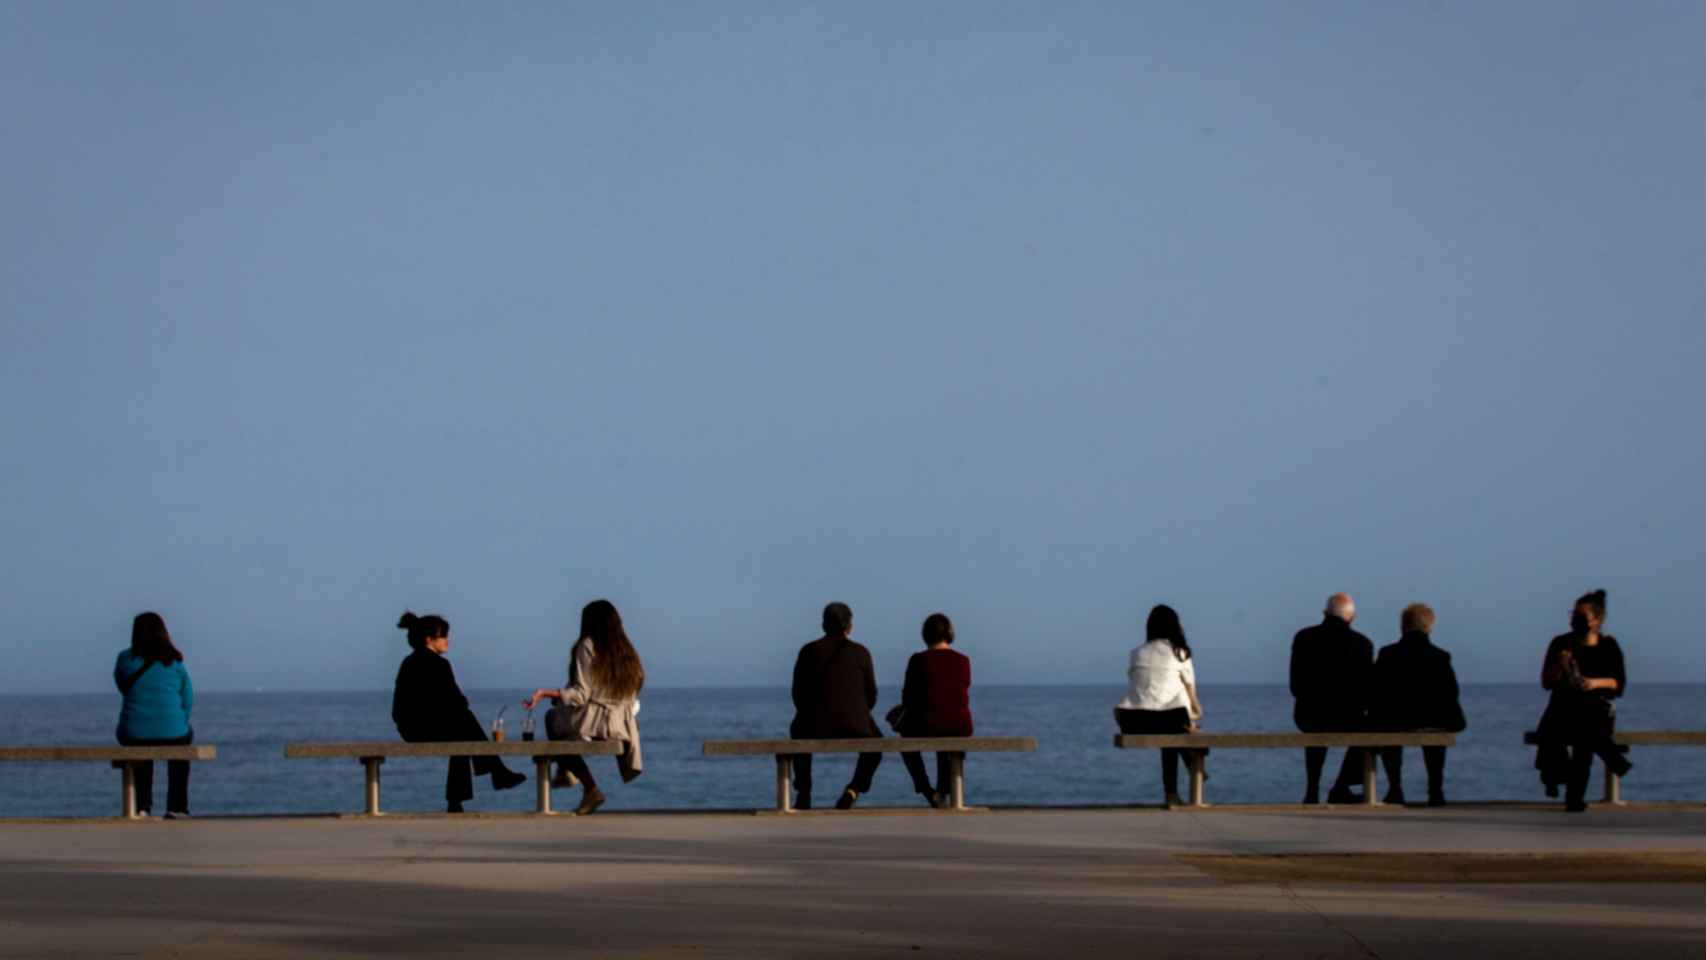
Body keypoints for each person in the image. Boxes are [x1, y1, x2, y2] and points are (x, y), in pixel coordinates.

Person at [391, 612, 526, 813]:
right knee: (464, 721)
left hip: (408, 729)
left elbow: (401, 707)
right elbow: (457, 703)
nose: (448, 641)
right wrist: (460, 703)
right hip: (427, 729)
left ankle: (469, 793)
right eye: (443, 636)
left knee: (462, 730)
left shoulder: (408, 663)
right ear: (429, 639)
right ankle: (494, 773)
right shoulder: (439, 664)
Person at [523, 599, 645, 815]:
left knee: (552, 719)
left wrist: (545, 693)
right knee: (563, 719)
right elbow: (633, 689)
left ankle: (588, 786)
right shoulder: (627, 652)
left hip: (597, 723)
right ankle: (566, 770)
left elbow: (581, 694)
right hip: (622, 726)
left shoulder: (587, 645)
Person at [1533, 589, 1630, 812]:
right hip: (1563, 708)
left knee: (1584, 742)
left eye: (1581, 615)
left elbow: (1618, 682)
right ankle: (1610, 762)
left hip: (1595, 708)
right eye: (1573, 614)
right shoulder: (1561, 643)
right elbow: (1547, 682)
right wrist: (1560, 665)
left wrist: (1594, 683)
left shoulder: (1609, 646)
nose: (1575, 620)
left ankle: (1574, 798)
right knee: (1565, 734)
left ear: (1596, 620)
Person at [1370, 604, 1465, 807]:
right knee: (1436, 732)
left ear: (1402, 626)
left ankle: (1395, 787)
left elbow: (1375, 692)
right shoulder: (1440, 657)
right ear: (1430, 627)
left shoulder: (1388, 654)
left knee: (1389, 730)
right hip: (1432, 719)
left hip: (1395, 720)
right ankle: (1435, 790)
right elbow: (1451, 693)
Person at [790, 602, 882, 810]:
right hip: (856, 726)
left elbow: (797, 695)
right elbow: (872, 697)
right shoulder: (861, 652)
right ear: (849, 627)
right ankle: (853, 790)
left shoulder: (808, 651)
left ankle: (804, 793)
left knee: (797, 729)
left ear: (823, 625)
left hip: (814, 726)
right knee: (877, 746)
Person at [1114, 604, 1206, 806]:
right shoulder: (1179, 653)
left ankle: (1173, 791)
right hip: (1168, 720)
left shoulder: (1136, 653)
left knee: (1171, 733)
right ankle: (1189, 768)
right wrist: (1195, 712)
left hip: (1133, 721)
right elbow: (1192, 694)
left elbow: (1136, 687)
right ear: (1175, 626)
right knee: (1177, 725)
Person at [1289, 593, 1374, 804]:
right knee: (1371, 728)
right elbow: (1367, 692)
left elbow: (1295, 685)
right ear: (1352, 618)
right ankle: (1342, 786)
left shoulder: (1303, 637)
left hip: (1308, 714)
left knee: (1315, 729)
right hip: (1349, 717)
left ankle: (1311, 791)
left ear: (1325, 613)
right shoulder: (1363, 644)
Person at [113, 612, 195, 819]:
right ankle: (177, 807)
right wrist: (178, 720)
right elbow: (188, 698)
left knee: (140, 747)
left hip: (134, 731)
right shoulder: (175, 662)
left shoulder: (125, 658)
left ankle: (142, 807)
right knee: (181, 750)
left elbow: (123, 686)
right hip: (174, 730)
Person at [893, 613, 973, 809]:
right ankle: (943, 790)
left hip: (928, 723)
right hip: (960, 725)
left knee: (906, 739)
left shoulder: (918, 660)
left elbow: (908, 699)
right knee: (947, 727)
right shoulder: (963, 660)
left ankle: (926, 788)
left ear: (925, 635)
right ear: (949, 633)